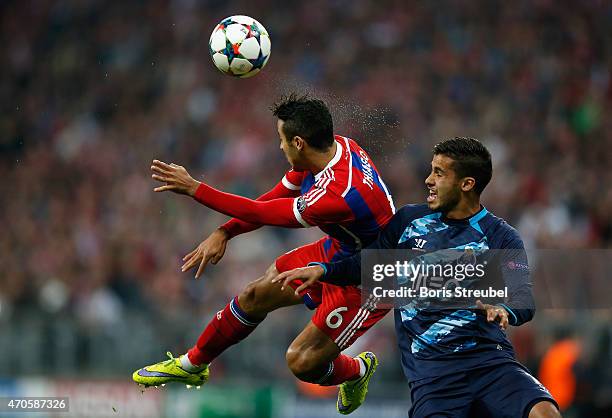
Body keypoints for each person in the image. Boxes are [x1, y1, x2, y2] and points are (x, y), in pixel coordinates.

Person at [133, 94, 395, 414]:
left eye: (281, 140)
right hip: (342, 250)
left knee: (301, 361)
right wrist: (225, 231)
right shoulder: (334, 148)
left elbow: (265, 212)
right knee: (255, 294)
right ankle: (192, 364)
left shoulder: (339, 194)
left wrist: (195, 189)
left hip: (373, 274)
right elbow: (276, 196)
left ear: (299, 142)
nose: (279, 147)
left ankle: (357, 371)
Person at [274, 137, 562, 418]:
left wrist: (504, 309)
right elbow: (364, 266)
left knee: (545, 412)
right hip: (433, 379)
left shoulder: (501, 237)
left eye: (439, 173)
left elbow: (524, 300)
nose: (428, 180)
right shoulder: (409, 222)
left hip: (491, 365)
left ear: (467, 184)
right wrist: (324, 270)